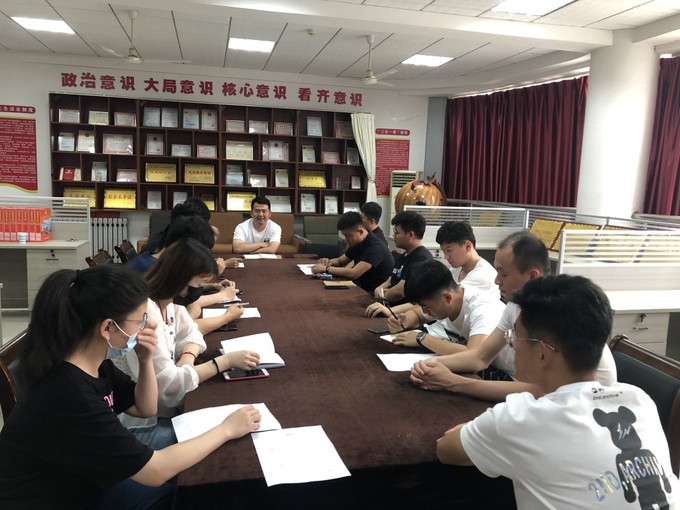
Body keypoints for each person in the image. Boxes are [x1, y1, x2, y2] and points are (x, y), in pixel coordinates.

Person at [0, 264, 261, 510]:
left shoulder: (95, 362)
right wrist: (227, 429)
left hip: (87, 481)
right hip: (61, 499)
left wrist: (145, 360)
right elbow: (155, 471)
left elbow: (145, 408)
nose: (149, 326)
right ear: (107, 327)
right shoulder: (69, 390)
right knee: (200, 492)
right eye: (140, 320)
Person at [436, 274, 679, 509]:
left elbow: (445, 449)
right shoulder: (640, 400)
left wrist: (473, 429)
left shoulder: (522, 418)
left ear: (543, 353)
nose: (511, 345)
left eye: (516, 338)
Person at [411, 231, 617, 401]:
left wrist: (453, 382)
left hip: (585, 402)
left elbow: (538, 390)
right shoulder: (516, 305)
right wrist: (431, 366)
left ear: (532, 276)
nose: (496, 281)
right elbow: (480, 357)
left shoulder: (559, 312)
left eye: (503, 274)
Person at [118, 238, 259, 449]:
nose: (198, 291)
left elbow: (192, 332)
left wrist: (187, 357)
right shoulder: (144, 314)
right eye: (199, 285)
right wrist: (224, 362)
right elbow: (171, 388)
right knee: (228, 434)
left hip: (159, 412)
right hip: (140, 427)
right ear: (180, 279)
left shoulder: (167, 304)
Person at [126, 216, 240, 334]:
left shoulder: (157, 263)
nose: (185, 292)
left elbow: (186, 310)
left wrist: (210, 285)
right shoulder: (154, 285)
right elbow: (177, 328)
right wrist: (226, 315)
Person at [390, 259, 505, 355]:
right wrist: (403, 321)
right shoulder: (449, 297)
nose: (424, 311)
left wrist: (422, 338)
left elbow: (474, 355)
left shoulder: (482, 308)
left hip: (505, 372)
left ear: (447, 298)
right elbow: (417, 316)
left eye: (426, 307)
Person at [365, 210, 432, 314]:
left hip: (403, 313)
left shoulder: (421, 259)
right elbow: (390, 280)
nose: (394, 236)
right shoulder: (404, 255)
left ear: (410, 235)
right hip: (389, 306)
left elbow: (399, 292)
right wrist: (379, 289)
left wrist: (382, 295)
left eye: (397, 232)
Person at [311, 211, 394, 294]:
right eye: (344, 235)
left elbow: (354, 273)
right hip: (360, 287)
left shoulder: (375, 247)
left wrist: (326, 269)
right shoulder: (357, 242)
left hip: (373, 293)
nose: (346, 240)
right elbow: (340, 261)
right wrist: (327, 262)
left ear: (360, 232)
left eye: (348, 236)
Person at [437, 221, 499, 298]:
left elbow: (446, 299)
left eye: (449, 250)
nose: (446, 257)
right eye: (444, 251)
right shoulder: (457, 268)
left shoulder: (483, 275)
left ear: (467, 246)